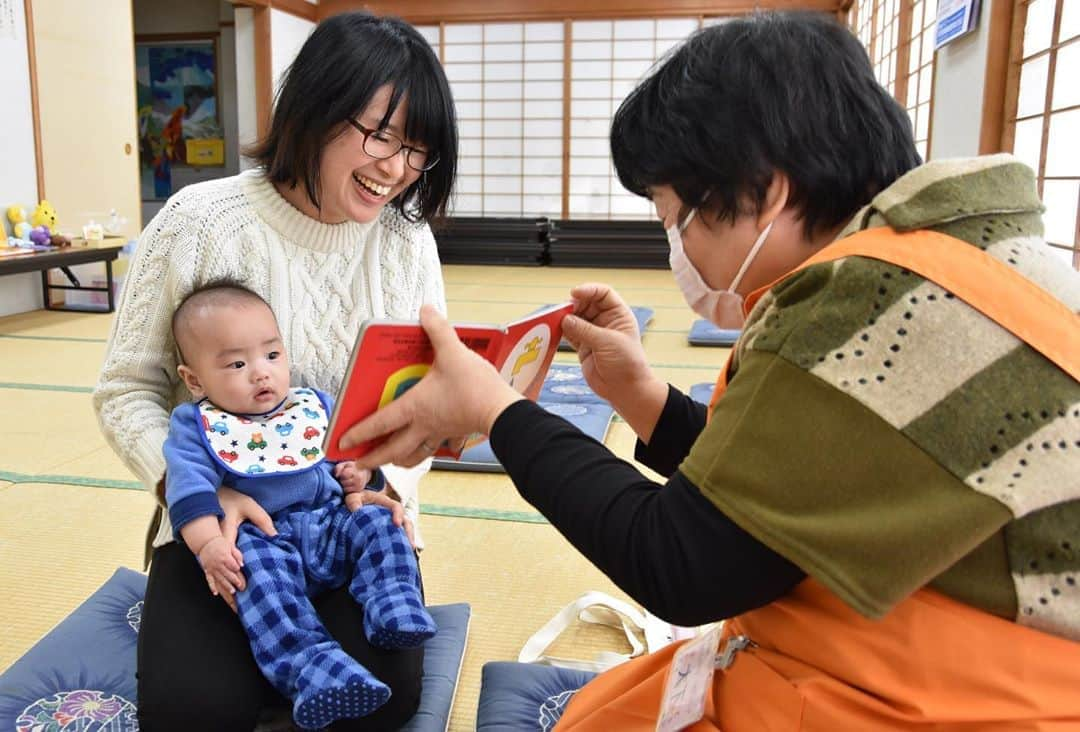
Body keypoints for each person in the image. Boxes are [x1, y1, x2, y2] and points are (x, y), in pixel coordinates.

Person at [338, 11, 1080, 730]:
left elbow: (686, 562)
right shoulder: (946, 260)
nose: (675, 245)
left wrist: (496, 410)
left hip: (990, 696)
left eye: (673, 215)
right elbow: (786, 490)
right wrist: (642, 396)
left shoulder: (867, 303)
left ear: (768, 188)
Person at [93, 12, 457, 730]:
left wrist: (391, 480)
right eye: (380, 134)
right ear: (316, 109)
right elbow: (125, 388)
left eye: (417, 148)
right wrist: (197, 496)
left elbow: (418, 397)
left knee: (382, 703)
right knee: (192, 711)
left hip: (345, 517)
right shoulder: (200, 221)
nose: (396, 168)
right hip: (225, 532)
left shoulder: (406, 242)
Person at [164, 282, 436, 730]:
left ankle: (393, 603)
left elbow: (346, 459)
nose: (261, 373)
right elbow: (188, 492)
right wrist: (209, 545)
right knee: (252, 579)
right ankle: (314, 671)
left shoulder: (311, 406)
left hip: (328, 526)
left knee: (376, 521)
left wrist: (360, 477)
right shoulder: (195, 425)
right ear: (194, 379)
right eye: (237, 363)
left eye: (272, 355)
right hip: (264, 539)